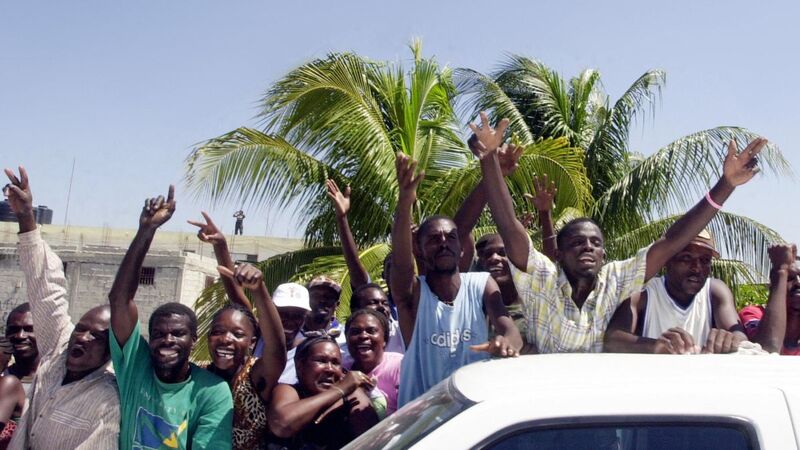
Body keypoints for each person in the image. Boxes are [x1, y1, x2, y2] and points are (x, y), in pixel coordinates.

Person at [472, 111, 765, 353]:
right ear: (558, 254)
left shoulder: (615, 281)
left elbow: (672, 241)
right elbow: (509, 226)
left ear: (604, 254)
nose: (588, 247)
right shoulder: (541, 279)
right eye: (577, 242)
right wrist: (488, 159)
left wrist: (726, 184)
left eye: (595, 242)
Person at [391, 152, 523, 407]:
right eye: (433, 239)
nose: (443, 243)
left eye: (450, 238)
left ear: (461, 248)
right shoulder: (412, 295)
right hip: (421, 420)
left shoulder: (481, 284)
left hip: (471, 418)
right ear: (419, 250)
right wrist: (405, 202)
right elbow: (401, 264)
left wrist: (507, 342)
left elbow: (510, 330)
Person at [108, 185, 232, 450]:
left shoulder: (211, 391)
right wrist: (147, 230)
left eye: (178, 333)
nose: (167, 340)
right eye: (159, 334)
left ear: (194, 339)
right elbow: (119, 300)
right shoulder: (136, 367)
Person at [4, 166, 120, 449]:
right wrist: (26, 216)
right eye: (80, 329)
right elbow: (46, 287)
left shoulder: (108, 401)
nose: (83, 337)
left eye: (96, 336)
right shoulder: (58, 353)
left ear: (110, 350)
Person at [604, 230, 747, 353]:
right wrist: (657, 346)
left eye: (704, 260)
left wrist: (729, 340)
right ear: (666, 260)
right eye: (686, 258)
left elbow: (740, 337)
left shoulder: (715, 291)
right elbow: (612, 339)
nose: (697, 268)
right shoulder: (645, 292)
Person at [205, 263, 287, 450]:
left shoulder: (255, 375)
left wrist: (259, 289)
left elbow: (277, 348)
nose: (226, 339)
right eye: (218, 332)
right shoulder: (198, 374)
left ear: (252, 342)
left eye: (238, 334)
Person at [268, 336, 380, 449]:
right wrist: (339, 390)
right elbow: (282, 425)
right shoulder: (288, 390)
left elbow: (372, 439)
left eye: (335, 363)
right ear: (300, 366)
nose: (330, 369)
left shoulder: (350, 397)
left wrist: (352, 389)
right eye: (321, 361)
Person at [345, 308, 402, 415]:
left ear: (385, 340)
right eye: (355, 332)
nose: (363, 336)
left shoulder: (400, 366)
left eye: (371, 331)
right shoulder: (341, 370)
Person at [746, 243, 799, 354]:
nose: (798, 282)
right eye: (790, 278)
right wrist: (781, 270)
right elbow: (767, 348)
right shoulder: (753, 314)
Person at [350, 283, 404, 354]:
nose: (382, 307)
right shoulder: (341, 343)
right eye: (373, 303)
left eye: (385, 303)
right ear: (355, 309)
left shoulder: (403, 332)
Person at [3, 303, 37, 396]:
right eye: (14, 330)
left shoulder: (56, 380)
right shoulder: (2, 378)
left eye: (29, 329)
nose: (20, 336)